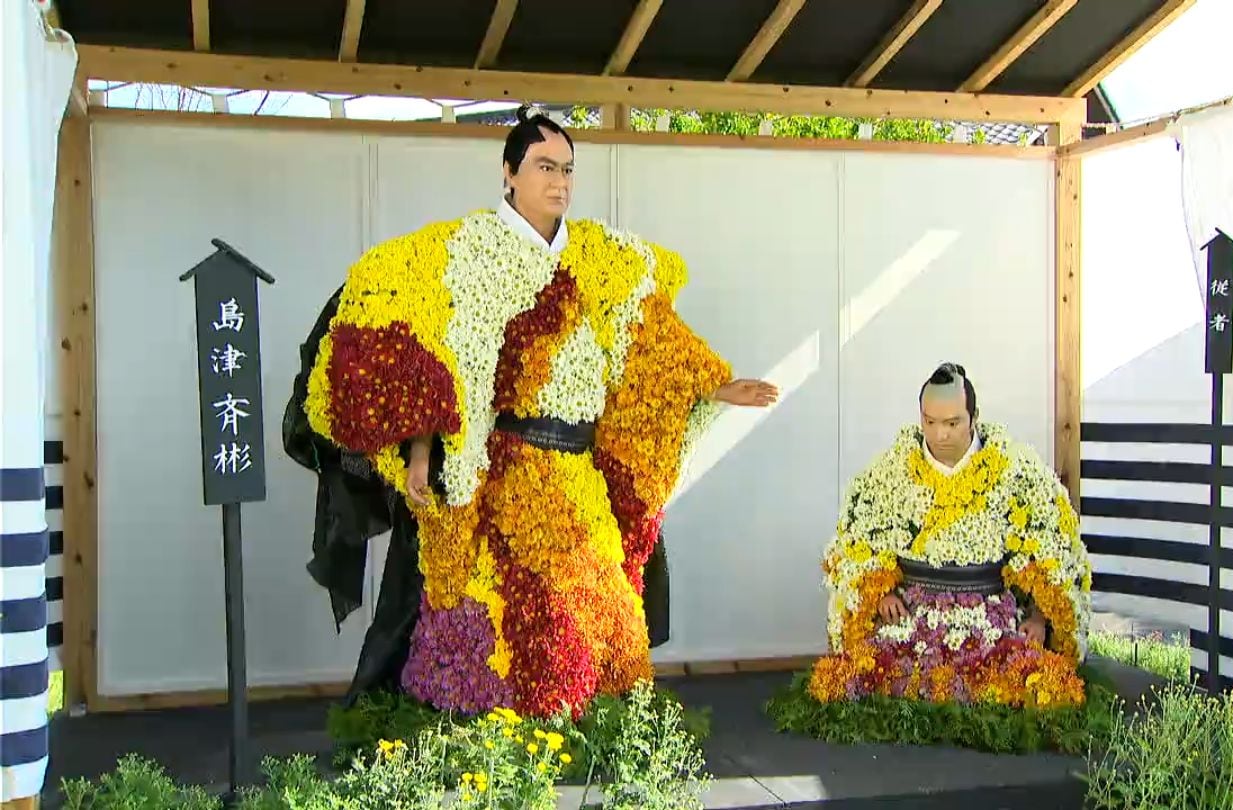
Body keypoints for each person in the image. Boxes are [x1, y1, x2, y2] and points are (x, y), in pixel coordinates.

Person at [284, 109, 778, 718]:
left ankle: (584, 731)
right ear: (509, 173)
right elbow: (433, 353)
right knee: (501, 616)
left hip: (577, 471)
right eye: (546, 167)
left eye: (568, 170)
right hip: (499, 469)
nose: (560, 182)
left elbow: (650, 340)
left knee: (608, 617)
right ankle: (489, 728)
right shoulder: (467, 251)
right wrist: (419, 452)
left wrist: (715, 385)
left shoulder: (602, 257)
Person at [806, 363, 1092, 708]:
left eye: (952, 423)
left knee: (1030, 686)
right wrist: (879, 591)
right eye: (930, 422)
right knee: (869, 680)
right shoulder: (891, 470)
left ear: (973, 417)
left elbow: (1053, 547)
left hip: (992, 615)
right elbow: (856, 544)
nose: (940, 435)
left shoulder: (1015, 469)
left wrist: (1038, 617)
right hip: (910, 615)